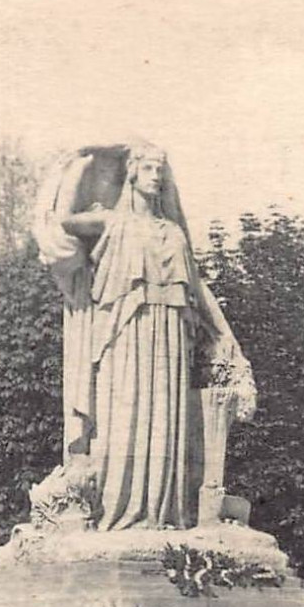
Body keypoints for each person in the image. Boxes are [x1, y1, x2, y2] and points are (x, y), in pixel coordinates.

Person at [35, 143, 255, 531]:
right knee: (125, 417)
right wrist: (82, 164)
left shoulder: (172, 232)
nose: (156, 177)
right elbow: (64, 221)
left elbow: (198, 287)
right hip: (124, 335)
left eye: (160, 171)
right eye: (149, 169)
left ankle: (161, 515)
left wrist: (224, 332)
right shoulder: (113, 222)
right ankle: (117, 512)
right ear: (132, 173)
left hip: (169, 336)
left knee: (166, 421)